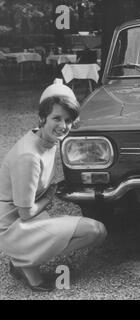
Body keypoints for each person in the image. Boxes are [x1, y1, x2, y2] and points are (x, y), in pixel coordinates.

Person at [0, 79, 107, 292]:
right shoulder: (29, 155)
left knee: (90, 229)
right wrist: (49, 197)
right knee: (96, 231)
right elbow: (25, 212)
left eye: (68, 120)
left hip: (24, 218)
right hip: (11, 226)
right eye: (56, 118)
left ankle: (26, 260)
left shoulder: (45, 139)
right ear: (42, 117)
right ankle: (24, 261)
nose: (63, 126)